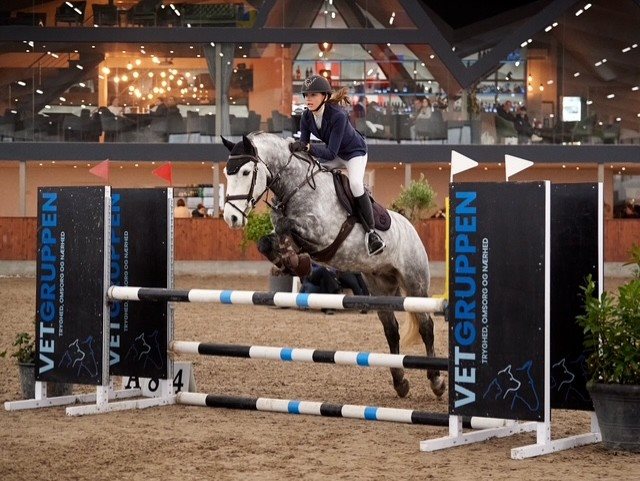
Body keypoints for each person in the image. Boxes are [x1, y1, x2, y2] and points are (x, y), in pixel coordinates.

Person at [289, 74, 385, 256]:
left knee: (356, 184)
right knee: (312, 174)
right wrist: (295, 148)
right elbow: (304, 146)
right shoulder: (306, 117)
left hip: (354, 153)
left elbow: (329, 153)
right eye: (306, 95)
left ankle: (372, 233)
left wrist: (308, 147)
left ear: (324, 97)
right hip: (336, 154)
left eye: (313, 95)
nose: (308, 99)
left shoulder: (338, 116)